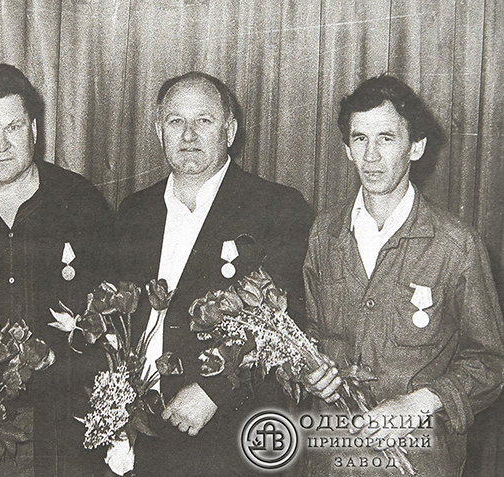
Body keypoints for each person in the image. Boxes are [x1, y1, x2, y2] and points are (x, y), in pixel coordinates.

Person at [302, 75, 504, 475]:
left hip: (418, 462)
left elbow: (491, 363)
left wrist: (420, 403)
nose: (371, 156)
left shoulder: (456, 245)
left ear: (416, 147)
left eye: (386, 139)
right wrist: (308, 373)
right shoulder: (325, 233)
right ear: (347, 149)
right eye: (360, 139)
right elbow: (310, 332)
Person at [116, 72, 314, 476]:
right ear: (159, 130)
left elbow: (286, 323)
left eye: (203, 121)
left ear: (230, 130)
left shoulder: (276, 207)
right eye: (176, 121)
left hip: (231, 435)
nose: (188, 135)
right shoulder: (135, 211)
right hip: (147, 435)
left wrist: (214, 390)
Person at [0, 62, 114, 477]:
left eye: (12, 127)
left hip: (67, 431)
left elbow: (114, 321)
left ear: (34, 128)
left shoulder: (81, 203)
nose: (0, 144)